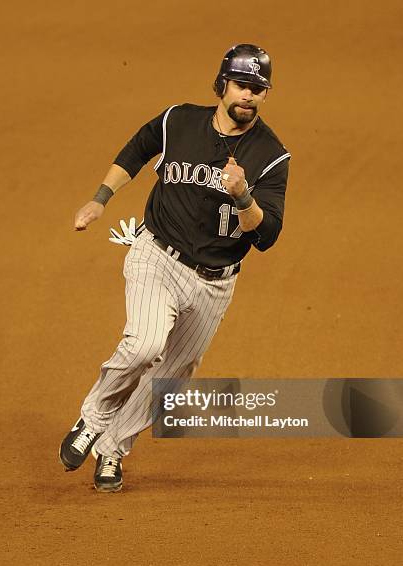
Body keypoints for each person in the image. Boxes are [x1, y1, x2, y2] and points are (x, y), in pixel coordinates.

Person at [59, 43, 291, 492]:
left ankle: (111, 449)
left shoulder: (272, 154)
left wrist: (245, 196)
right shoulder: (178, 120)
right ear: (223, 83)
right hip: (157, 257)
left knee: (171, 380)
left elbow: (268, 235)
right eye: (241, 85)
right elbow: (137, 149)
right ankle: (92, 418)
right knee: (145, 345)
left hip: (215, 284)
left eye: (257, 89)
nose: (248, 95)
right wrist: (100, 199)